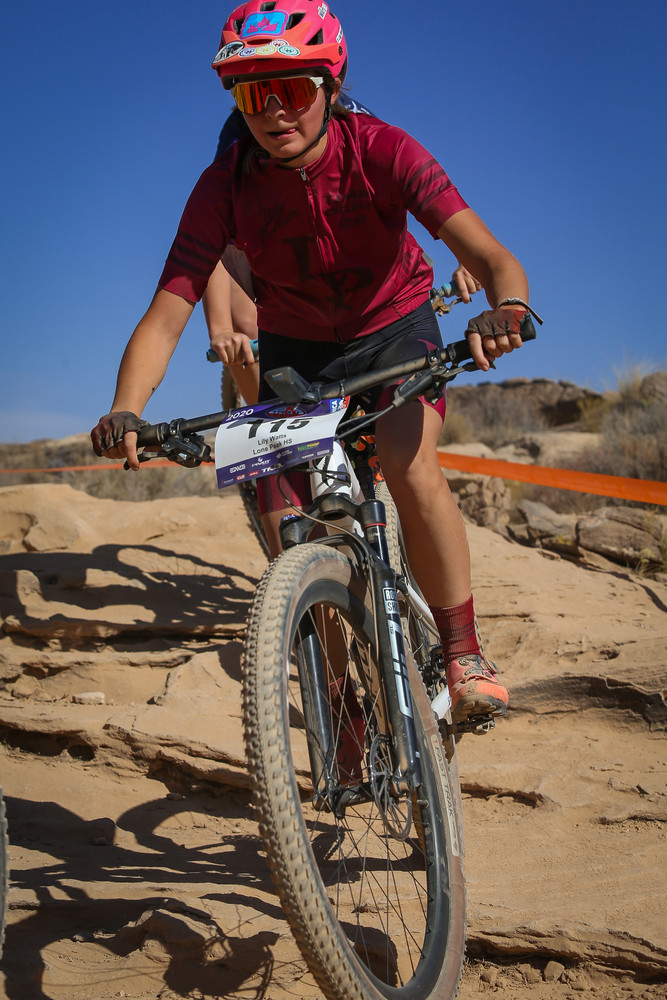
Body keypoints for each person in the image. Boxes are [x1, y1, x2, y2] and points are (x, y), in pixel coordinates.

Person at [91, 0, 542, 728]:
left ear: (329, 86)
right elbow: (164, 315)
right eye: (253, 96)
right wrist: (126, 409)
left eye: (292, 89)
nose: (274, 111)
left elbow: (491, 257)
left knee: (407, 462)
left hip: (394, 329)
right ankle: (338, 708)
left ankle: (464, 653)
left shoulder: (382, 148)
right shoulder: (222, 185)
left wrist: (508, 307)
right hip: (296, 354)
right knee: (287, 524)